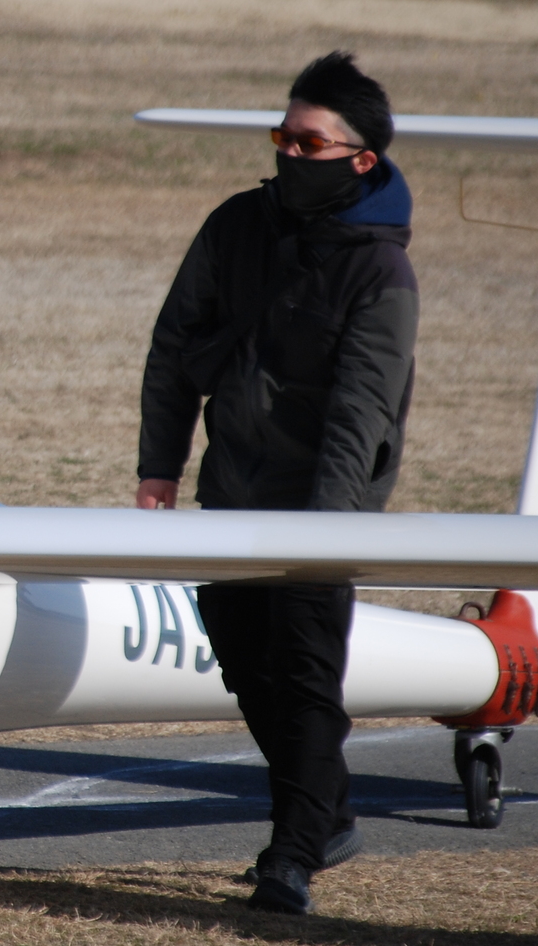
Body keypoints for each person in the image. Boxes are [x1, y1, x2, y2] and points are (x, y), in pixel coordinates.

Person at [134, 52, 417, 915]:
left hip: (322, 508)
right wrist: (159, 466)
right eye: (282, 137)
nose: (290, 153)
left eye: (310, 141)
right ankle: (326, 811)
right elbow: (175, 346)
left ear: (361, 158)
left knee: (301, 671)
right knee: (242, 654)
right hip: (234, 484)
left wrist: (324, 533)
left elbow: (360, 411)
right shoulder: (235, 225)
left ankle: (291, 853)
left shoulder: (380, 273)